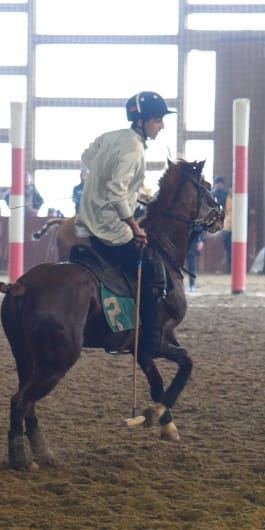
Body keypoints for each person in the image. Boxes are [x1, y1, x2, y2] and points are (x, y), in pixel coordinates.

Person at [75, 90, 172, 355]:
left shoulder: (112, 137)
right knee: (152, 269)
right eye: (157, 120)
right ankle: (149, 341)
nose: (161, 125)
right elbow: (116, 192)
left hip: (89, 219)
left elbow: (87, 157)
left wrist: (137, 195)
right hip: (110, 229)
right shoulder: (134, 149)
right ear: (140, 121)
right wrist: (135, 226)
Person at [210, 176, 232, 272]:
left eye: (220, 183)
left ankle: (229, 268)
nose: (218, 185)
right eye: (217, 183)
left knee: (228, 248)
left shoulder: (227, 195)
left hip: (226, 223)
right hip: (220, 223)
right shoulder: (212, 194)